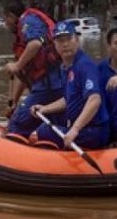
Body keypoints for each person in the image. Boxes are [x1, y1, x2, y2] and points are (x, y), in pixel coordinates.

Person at [30, 20, 110, 149]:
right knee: (51, 118)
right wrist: (44, 108)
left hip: (94, 131)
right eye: (60, 41)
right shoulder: (65, 68)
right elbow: (69, 99)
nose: (65, 44)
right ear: (55, 45)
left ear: (77, 40)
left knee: (44, 131)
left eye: (69, 39)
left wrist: (75, 130)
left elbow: (95, 100)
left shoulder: (85, 66)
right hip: (81, 126)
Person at [3, 0, 64, 138]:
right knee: (37, 121)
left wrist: (16, 65)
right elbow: (23, 75)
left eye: (6, 19)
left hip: (49, 86)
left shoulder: (28, 21)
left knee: (17, 124)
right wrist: (14, 102)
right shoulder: (23, 35)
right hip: (46, 85)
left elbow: (36, 44)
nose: (5, 23)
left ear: (12, 16)